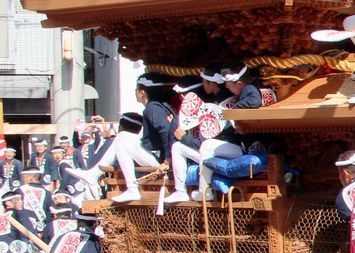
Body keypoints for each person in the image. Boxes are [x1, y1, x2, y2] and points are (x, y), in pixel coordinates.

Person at [66, 76, 174, 204]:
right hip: (160, 158)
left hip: (161, 160)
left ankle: (131, 188)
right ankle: (94, 174)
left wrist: (167, 160)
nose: (135, 92)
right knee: (121, 138)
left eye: (136, 89)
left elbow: (166, 130)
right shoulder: (159, 106)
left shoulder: (152, 108)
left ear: (142, 92)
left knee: (122, 137)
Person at [167, 64, 260, 203]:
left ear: (240, 83)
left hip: (239, 147)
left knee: (207, 144)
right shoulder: (224, 101)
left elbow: (255, 100)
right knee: (177, 147)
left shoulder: (247, 91)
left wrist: (230, 113)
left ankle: (205, 190)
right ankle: (180, 191)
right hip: (219, 149)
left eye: (228, 83)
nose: (227, 86)